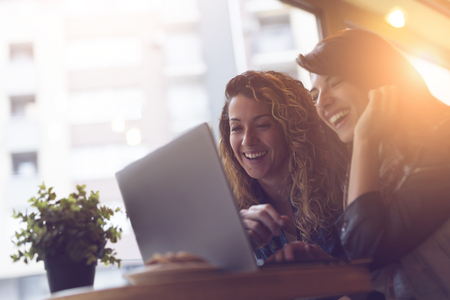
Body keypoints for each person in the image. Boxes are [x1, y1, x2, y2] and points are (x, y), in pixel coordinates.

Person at [294, 29, 450, 299]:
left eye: (336, 82)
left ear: (378, 81)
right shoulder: (382, 162)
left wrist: (365, 139)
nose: (322, 103)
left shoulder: (440, 144)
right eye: (315, 94)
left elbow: (366, 250)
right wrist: (324, 263)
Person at [218, 70, 347, 264]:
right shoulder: (230, 213)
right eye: (236, 128)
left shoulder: (340, 186)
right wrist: (236, 248)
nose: (247, 140)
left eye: (262, 124)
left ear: (293, 130)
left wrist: (330, 269)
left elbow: (375, 276)